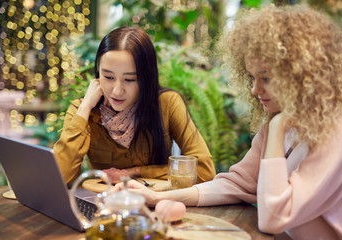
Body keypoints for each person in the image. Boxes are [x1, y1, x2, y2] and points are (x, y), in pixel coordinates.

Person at [111, 5, 342, 239]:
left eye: (267, 78)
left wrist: (277, 126)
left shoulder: (334, 132)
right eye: (252, 77)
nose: (254, 89)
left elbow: (274, 217)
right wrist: (157, 197)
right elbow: (238, 184)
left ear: (301, 74)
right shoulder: (283, 121)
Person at [53, 26, 216, 185]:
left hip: (154, 207)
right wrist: (85, 106)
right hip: (103, 206)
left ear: (147, 78)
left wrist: (134, 172)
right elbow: (60, 179)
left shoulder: (167, 103)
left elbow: (204, 172)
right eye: (108, 77)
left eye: (130, 80)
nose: (116, 91)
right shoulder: (83, 109)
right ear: (98, 72)